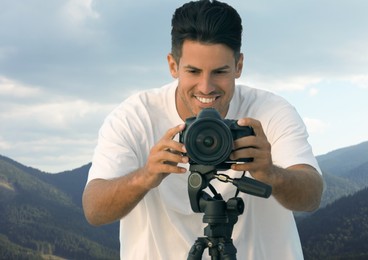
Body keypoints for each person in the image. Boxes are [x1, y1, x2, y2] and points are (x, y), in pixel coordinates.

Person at [82, 0, 324, 259]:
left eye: (220, 71)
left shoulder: (271, 112)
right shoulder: (134, 117)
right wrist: (146, 175)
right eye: (193, 71)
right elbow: (95, 210)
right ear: (173, 66)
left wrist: (270, 173)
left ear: (238, 66)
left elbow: (311, 197)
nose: (206, 87)